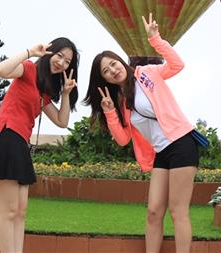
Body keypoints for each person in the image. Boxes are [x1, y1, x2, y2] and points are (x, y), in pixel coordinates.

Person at [84, 13, 199, 253]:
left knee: (178, 211)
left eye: (113, 64)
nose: (113, 70)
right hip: (161, 153)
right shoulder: (119, 102)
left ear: (121, 61)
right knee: (153, 211)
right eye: (106, 71)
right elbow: (123, 139)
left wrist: (156, 40)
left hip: (181, 143)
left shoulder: (147, 72)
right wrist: (109, 112)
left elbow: (177, 65)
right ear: (103, 79)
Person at [0, 38, 79, 253]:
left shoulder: (44, 92)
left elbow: (62, 121)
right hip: (7, 137)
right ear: (49, 52)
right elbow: (1, 70)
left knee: (20, 211)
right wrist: (30, 52)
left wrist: (66, 94)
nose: (62, 63)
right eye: (59, 55)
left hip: (20, 143)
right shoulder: (28, 69)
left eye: (67, 62)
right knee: (9, 210)